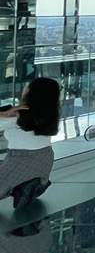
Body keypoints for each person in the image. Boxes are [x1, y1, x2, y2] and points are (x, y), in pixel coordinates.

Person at [0, 78, 60, 209]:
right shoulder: (47, 115)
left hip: (20, 160)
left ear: (32, 93)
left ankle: (22, 186)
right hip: (45, 160)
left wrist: (5, 112)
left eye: (28, 87)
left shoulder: (18, 116)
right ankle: (26, 186)